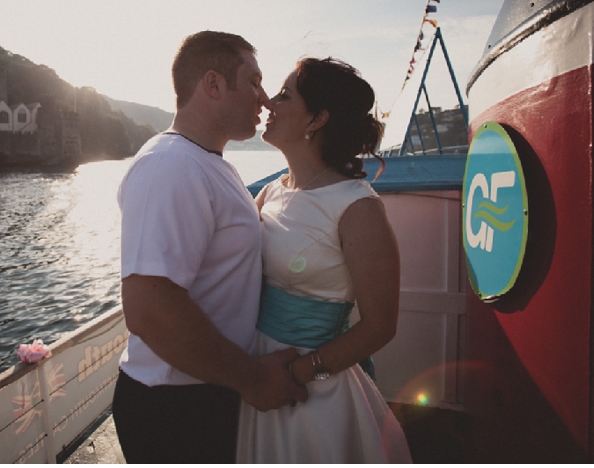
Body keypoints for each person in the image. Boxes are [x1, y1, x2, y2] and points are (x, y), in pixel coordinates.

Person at [112, 31, 308, 464]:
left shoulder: (210, 164)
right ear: (214, 84)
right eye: (254, 82)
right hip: (174, 409)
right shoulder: (170, 166)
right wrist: (255, 379)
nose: (264, 99)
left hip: (207, 389)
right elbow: (149, 309)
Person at [236, 57, 412, 463]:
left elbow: (380, 326)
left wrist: (295, 374)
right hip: (259, 376)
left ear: (316, 119)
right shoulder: (271, 193)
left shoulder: (357, 207)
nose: (268, 102)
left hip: (313, 391)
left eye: (284, 95)